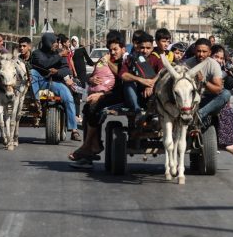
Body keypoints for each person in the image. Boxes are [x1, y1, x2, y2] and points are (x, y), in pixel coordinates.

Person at [69, 31, 125, 167]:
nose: (112, 52)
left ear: (123, 48)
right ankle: (92, 148)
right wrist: (91, 79)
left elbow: (121, 83)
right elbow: (92, 75)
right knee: (88, 108)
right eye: (110, 49)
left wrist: (101, 95)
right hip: (103, 93)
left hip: (117, 95)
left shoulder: (125, 61)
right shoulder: (105, 60)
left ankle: (87, 147)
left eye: (115, 49)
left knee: (94, 106)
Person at [29, 32, 81, 141]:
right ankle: (36, 102)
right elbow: (43, 64)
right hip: (39, 82)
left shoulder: (59, 53)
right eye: (54, 43)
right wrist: (59, 56)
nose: (56, 45)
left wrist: (57, 72)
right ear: (48, 43)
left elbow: (66, 69)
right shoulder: (36, 53)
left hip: (54, 82)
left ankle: (74, 129)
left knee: (69, 98)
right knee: (32, 72)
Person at [184, 38, 232, 126]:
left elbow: (218, 89)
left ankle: (199, 115)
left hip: (207, 98)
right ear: (194, 50)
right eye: (198, 51)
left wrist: (203, 81)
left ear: (209, 52)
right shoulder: (187, 63)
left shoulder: (213, 65)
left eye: (204, 51)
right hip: (191, 98)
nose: (201, 54)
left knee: (226, 94)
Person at [210, 44, 233, 156]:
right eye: (216, 57)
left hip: (218, 100)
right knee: (227, 109)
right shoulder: (206, 67)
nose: (219, 60)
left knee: (230, 109)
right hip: (205, 100)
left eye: (221, 58)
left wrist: (229, 76)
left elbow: (229, 87)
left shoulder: (223, 69)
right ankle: (229, 143)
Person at [120, 31, 163, 120]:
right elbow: (123, 75)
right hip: (134, 95)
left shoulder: (156, 59)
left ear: (152, 48)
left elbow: (162, 72)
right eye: (142, 48)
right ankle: (137, 110)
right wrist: (140, 80)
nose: (145, 50)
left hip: (151, 96)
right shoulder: (130, 59)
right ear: (138, 47)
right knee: (128, 84)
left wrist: (151, 85)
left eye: (148, 48)